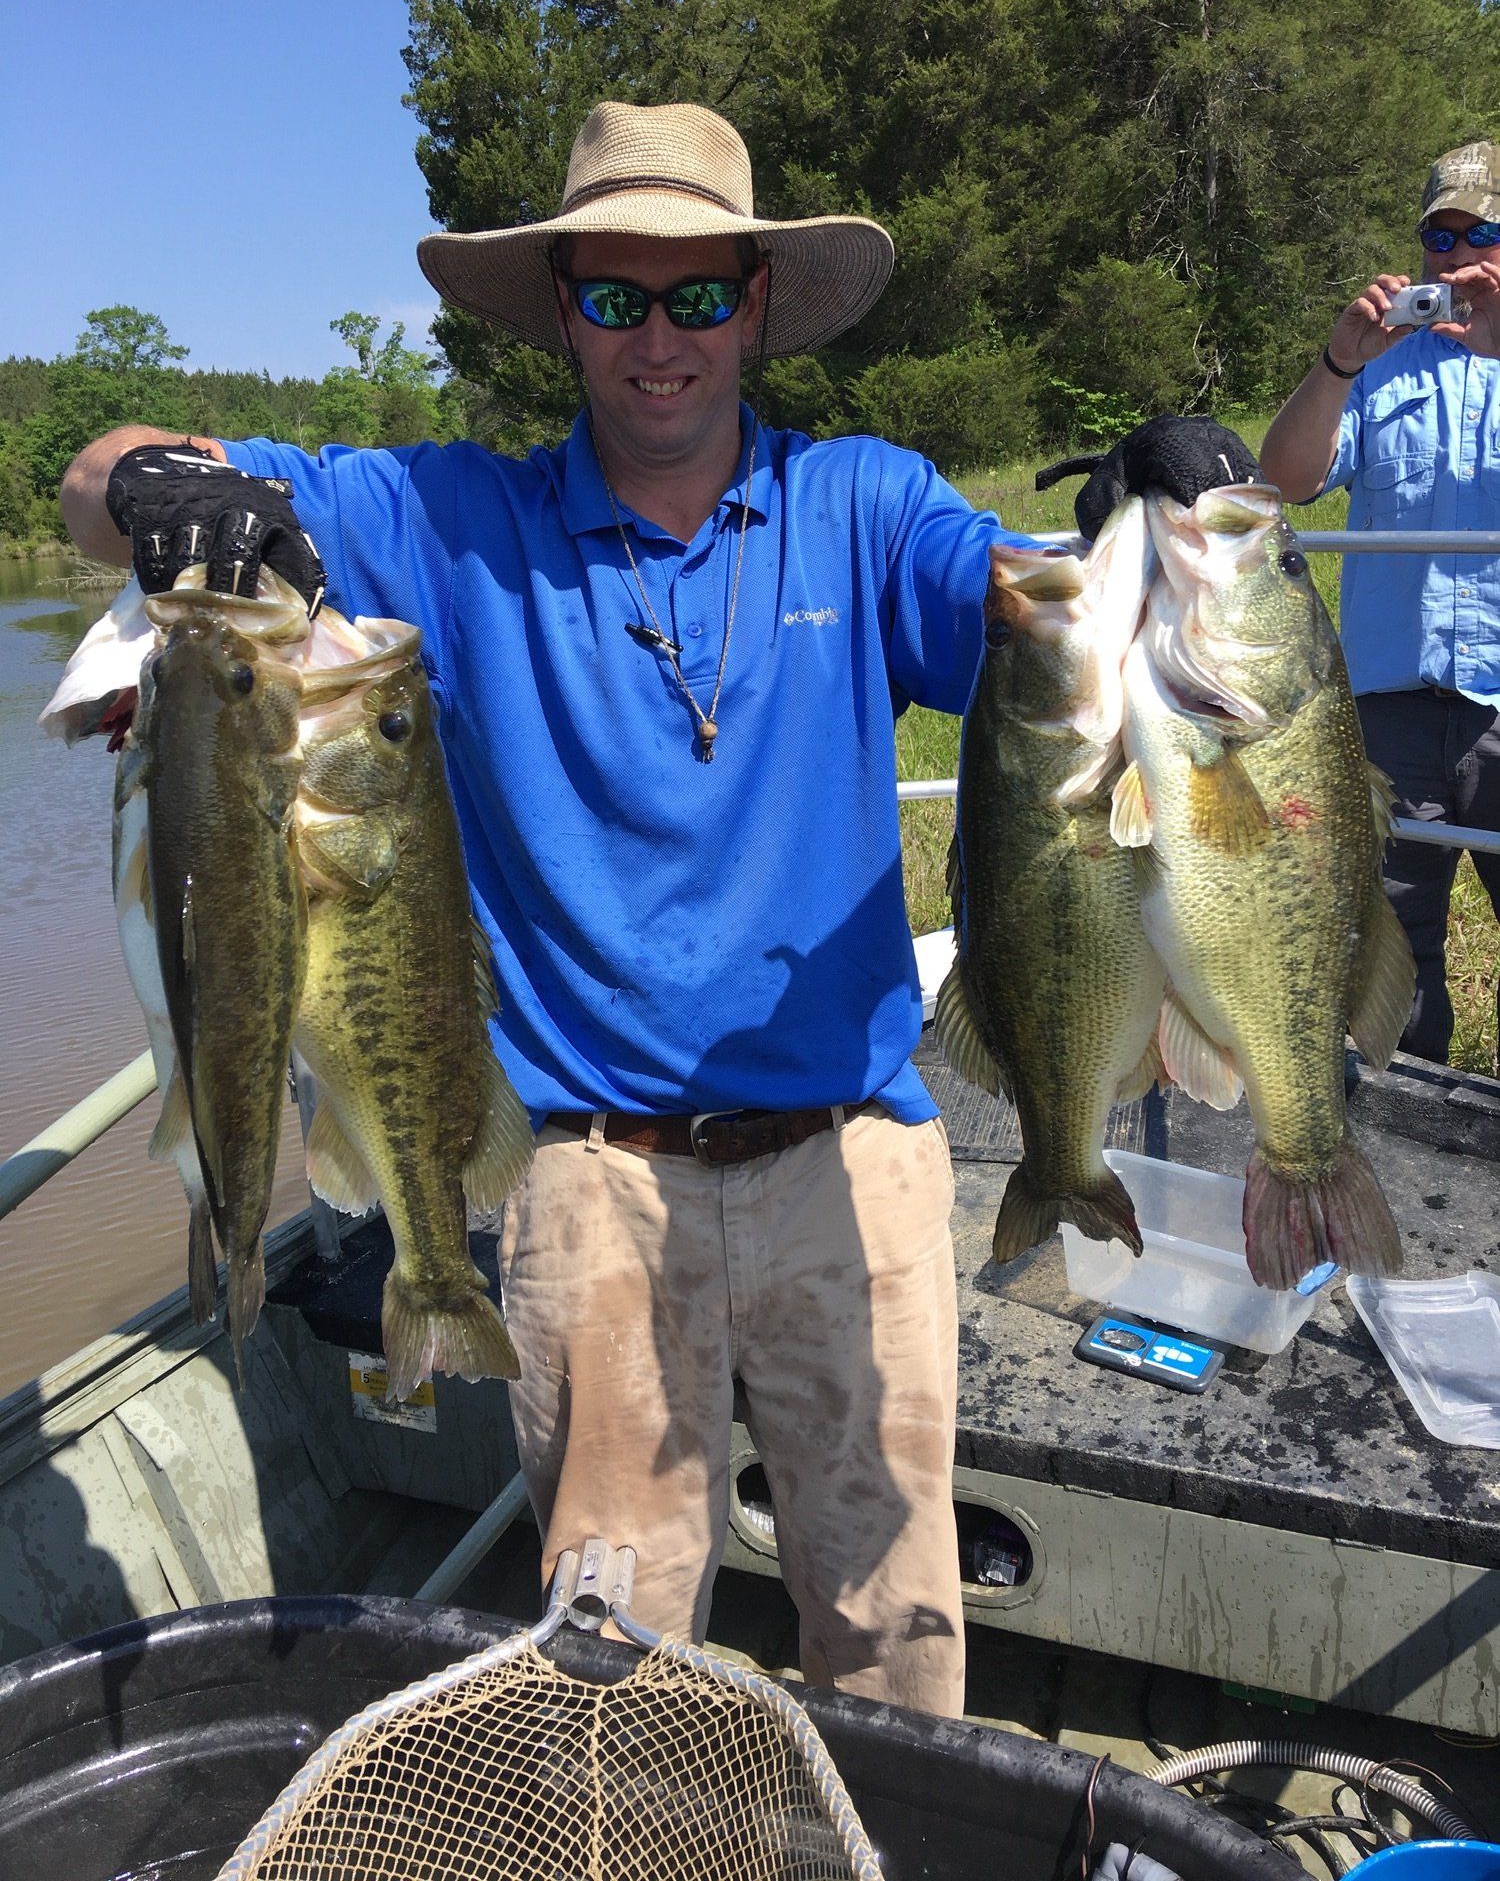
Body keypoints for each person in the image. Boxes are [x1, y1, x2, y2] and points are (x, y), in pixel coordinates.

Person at [62, 99, 1239, 1714]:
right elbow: (101, 473)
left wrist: (1142, 535)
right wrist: (158, 495)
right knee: (607, 1657)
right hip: (589, 1184)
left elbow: (1033, 609)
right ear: (564, 316)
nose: (661, 337)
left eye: (698, 295)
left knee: (898, 1631)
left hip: (858, 1161)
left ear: (756, 303)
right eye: (616, 297)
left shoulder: (866, 505)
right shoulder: (448, 524)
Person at [1261, 140, 1500, 1065]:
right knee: (1390, 962)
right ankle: (1399, 1153)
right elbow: (1283, 484)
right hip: (1389, 715)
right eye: (1439, 236)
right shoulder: (1380, 368)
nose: (1454, 257)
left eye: (1481, 231)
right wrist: (1338, 361)